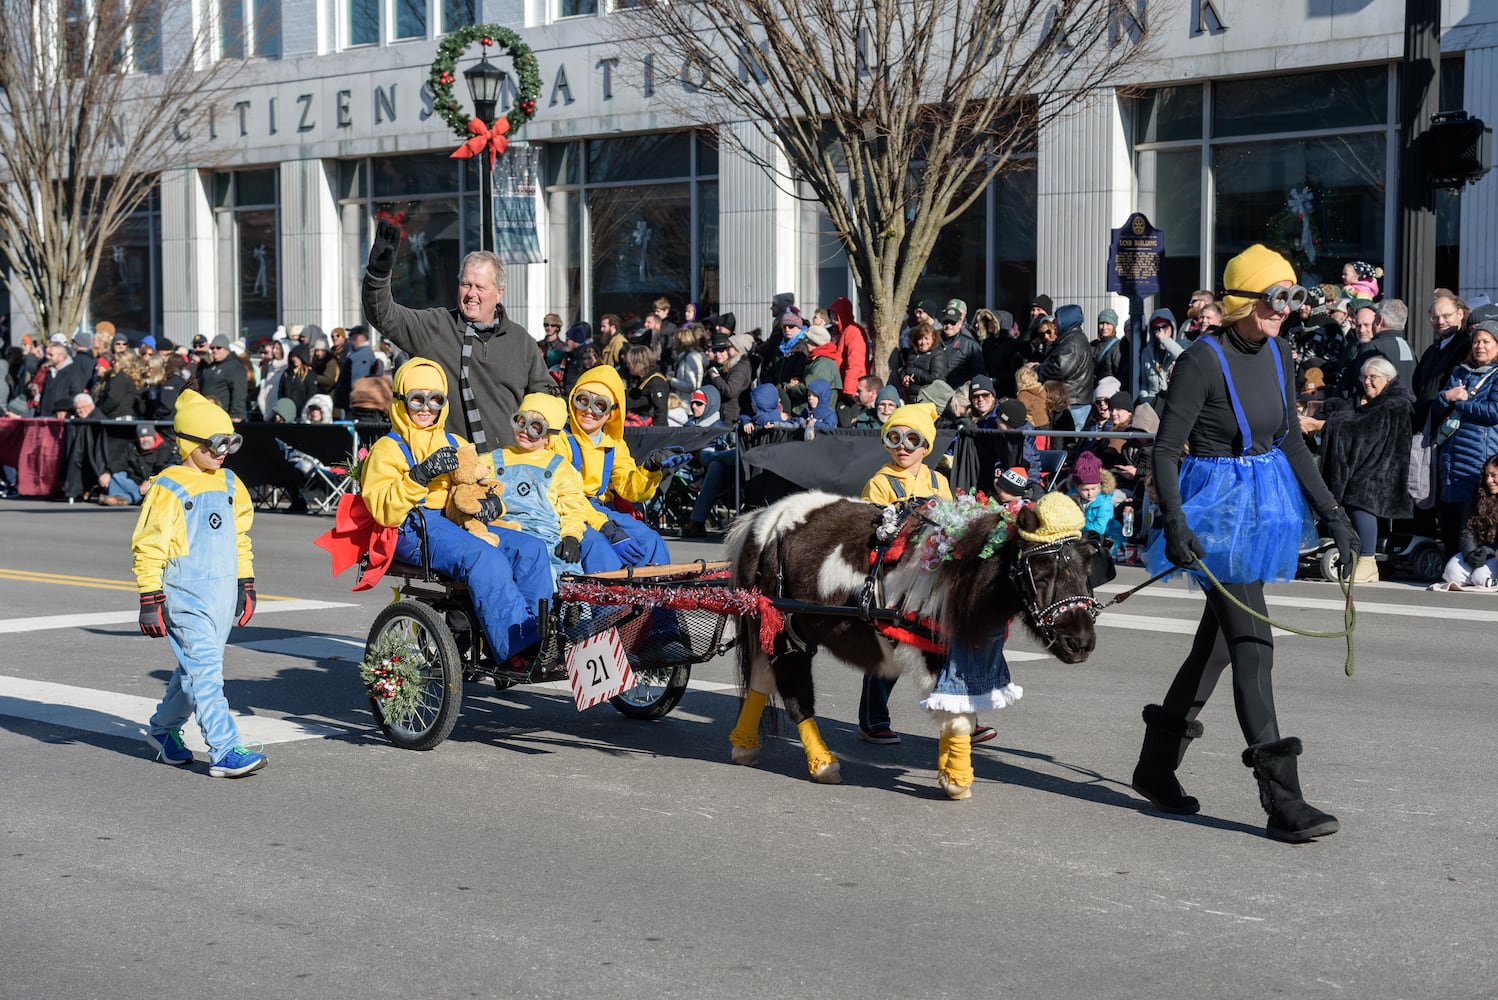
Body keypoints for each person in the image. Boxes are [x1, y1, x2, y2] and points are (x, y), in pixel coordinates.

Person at [1133, 243, 1356, 844]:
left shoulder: (1280, 351)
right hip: (1211, 512)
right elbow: (1164, 448)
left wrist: (1333, 513)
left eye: (1291, 295)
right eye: (1272, 297)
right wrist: (1174, 521)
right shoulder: (1201, 360)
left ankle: (1156, 766)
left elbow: (1288, 441)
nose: (1285, 307)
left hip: (1261, 506)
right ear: (1240, 302)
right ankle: (1283, 800)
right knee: (1254, 644)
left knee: (1218, 647)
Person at [361, 358, 546, 665]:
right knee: (483, 557)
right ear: (401, 401)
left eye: (435, 400)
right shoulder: (388, 448)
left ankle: (539, 633)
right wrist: (418, 475)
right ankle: (517, 647)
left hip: (458, 521)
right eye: (416, 399)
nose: (425, 409)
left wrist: (491, 504)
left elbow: (483, 480)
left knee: (531, 549)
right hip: (414, 526)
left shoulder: (455, 442)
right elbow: (384, 510)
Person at [133, 389, 265, 778]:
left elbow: (241, 537)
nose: (223, 451)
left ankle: (161, 730)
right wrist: (149, 595)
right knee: (207, 671)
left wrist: (246, 582)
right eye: (214, 443)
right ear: (188, 443)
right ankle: (224, 750)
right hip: (184, 593)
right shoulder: (168, 487)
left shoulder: (229, 483)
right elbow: (148, 544)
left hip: (222, 593)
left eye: (230, 442)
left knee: (194, 672)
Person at [855, 401, 1001, 752]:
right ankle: (873, 720)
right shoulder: (881, 481)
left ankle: (965, 720)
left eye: (912, 439)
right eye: (894, 437)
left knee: (953, 646)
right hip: (895, 576)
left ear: (926, 446)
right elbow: (867, 529)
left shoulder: (938, 479)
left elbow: (952, 527)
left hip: (933, 576)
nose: (902, 447)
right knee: (891, 645)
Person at [363, 222, 552, 450]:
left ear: (499, 292)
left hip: (507, 471)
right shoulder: (438, 326)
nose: (471, 294)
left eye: (480, 287)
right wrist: (378, 275)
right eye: (465, 284)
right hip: (449, 471)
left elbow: (547, 400)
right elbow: (384, 315)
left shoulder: (521, 342)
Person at [556, 365, 684, 569]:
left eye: (600, 405)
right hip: (568, 510)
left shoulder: (613, 443)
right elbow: (567, 496)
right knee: (600, 549)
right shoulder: (560, 439)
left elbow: (630, 488)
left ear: (611, 413)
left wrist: (651, 468)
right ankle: (607, 601)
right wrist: (606, 528)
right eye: (583, 400)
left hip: (600, 509)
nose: (589, 410)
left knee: (651, 542)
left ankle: (652, 598)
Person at [1300, 356, 1414, 582]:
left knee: (1360, 493)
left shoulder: (1398, 402)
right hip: (1359, 461)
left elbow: (1364, 428)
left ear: (1388, 379)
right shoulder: (1359, 399)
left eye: (1373, 377)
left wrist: (1321, 425)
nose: (1367, 382)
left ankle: (1367, 559)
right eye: (1364, 377)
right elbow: (1345, 415)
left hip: (1384, 465)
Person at [487, 392, 589, 583]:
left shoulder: (561, 467)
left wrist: (571, 537)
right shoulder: (494, 458)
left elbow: (573, 507)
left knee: (570, 575)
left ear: (549, 435)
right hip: (509, 533)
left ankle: (573, 610)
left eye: (536, 427)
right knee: (536, 577)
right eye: (521, 421)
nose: (525, 431)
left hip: (548, 539)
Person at [1431, 320, 1498, 557]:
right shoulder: (1460, 371)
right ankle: (1451, 565)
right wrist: (1445, 396)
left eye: (1486, 341)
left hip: (1479, 455)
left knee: (1473, 516)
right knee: (1449, 513)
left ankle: (1476, 563)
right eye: (1477, 341)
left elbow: (1494, 412)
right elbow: (1439, 410)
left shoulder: (1496, 375)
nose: (1480, 346)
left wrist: (1462, 403)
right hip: (1451, 455)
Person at [1435, 454, 1498, 589]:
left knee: (1480, 577)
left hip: (1494, 553)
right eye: (1486, 475)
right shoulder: (1477, 498)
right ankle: (1480, 577)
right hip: (1478, 551)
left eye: (1493, 475)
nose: (1489, 480)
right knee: (1451, 573)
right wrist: (1469, 553)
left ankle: (1482, 578)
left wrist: (1487, 552)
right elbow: (1466, 531)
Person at [1034, 304, 1095, 430]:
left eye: (1057, 319)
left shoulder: (1072, 343)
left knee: (1068, 442)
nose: (1054, 323)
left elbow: (1059, 369)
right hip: (1074, 401)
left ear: (1066, 320)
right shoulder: (1072, 339)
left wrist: (1036, 370)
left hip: (1073, 403)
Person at [890, 320, 948, 402]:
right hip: (910, 398)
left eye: (926, 338)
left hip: (928, 399)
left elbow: (936, 379)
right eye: (920, 339)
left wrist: (915, 372)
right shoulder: (913, 353)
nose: (923, 342)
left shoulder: (938, 354)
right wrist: (904, 377)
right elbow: (905, 369)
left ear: (933, 338)